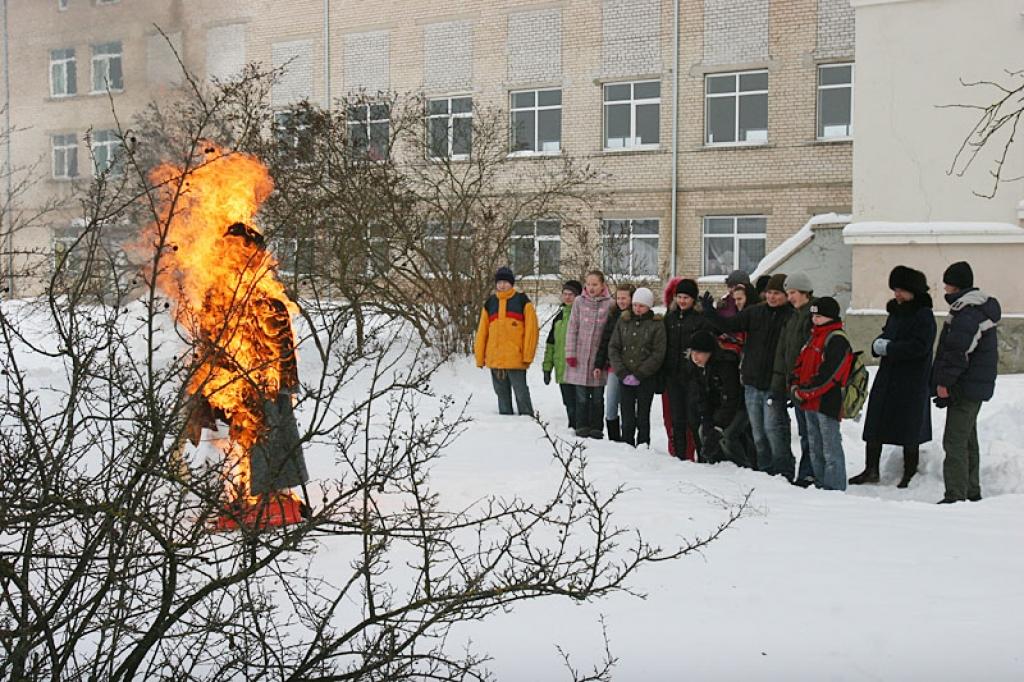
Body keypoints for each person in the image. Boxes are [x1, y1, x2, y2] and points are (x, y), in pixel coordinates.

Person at [702, 273, 795, 479]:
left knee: (775, 431)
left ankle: (784, 473)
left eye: (777, 293)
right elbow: (730, 324)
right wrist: (710, 313)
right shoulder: (756, 312)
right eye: (769, 292)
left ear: (786, 295)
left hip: (775, 383)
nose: (772, 297)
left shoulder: (791, 316)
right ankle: (765, 472)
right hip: (752, 381)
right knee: (759, 434)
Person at [850, 266, 935, 488]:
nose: (897, 294)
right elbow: (886, 335)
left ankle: (909, 472)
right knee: (875, 424)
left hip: (911, 382)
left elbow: (920, 346)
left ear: (913, 291)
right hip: (888, 377)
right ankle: (871, 470)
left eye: (901, 290)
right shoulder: (896, 312)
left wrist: (890, 348)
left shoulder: (923, 315)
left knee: (910, 429)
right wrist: (878, 345)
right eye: (895, 289)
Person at [932, 261, 1001, 504]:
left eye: (947, 284)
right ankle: (971, 490)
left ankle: (955, 494)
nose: (944, 289)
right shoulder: (976, 309)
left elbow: (957, 353)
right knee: (967, 439)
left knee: (955, 440)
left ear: (955, 285)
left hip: (965, 386)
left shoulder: (967, 313)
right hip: (973, 384)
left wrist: (944, 383)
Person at [789, 297, 853, 491]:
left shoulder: (837, 339)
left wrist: (806, 391)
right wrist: (794, 384)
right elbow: (800, 364)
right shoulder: (813, 337)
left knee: (830, 447)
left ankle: (834, 487)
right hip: (809, 401)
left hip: (826, 401)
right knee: (815, 446)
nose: (816, 320)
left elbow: (830, 375)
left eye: (820, 316)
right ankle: (820, 482)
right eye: (814, 316)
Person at [662, 278, 716, 460]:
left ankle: (702, 454)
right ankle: (680, 456)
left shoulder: (699, 319)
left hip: (693, 376)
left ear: (693, 299)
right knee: (677, 419)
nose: (682, 301)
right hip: (673, 374)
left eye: (686, 297)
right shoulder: (669, 318)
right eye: (679, 297)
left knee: (694, 419)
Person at [474, 266, 539, 416]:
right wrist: (480, 356)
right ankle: (505, 421)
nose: (502, 285)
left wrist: (527, 355)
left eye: (506, 282)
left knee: (521, 392)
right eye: (499, 282)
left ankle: (528, 418)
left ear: (512, 283)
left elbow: (531, 331)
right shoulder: (490, 303)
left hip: (516, 358)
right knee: (501, 393)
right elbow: (482, 332)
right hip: (495, 358)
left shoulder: (523, 301)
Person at [772, 272, 815, 487]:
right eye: (788, 293)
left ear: (805, 292)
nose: (790, 297)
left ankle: (809, 472)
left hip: (808, 383)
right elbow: (783, 351)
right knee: (804, 430)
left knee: (811, 432)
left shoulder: (812, 315)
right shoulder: (793, 316)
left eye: (793, 293)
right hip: (794, 383)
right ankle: (807, 471)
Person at [608, 287, 666, 447]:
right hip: (624, 376)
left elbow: (658, 353)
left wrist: (640, 374)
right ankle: (627, 443)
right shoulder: (623, 321)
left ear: (648, 307)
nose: (637, 309)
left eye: (641, 306)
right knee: (626, 414)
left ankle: (643, 443)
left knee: (642, 415)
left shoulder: (656, 325)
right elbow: (613, 347)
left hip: (646, 378)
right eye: (635, 305)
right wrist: (621, 372)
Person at [565, 270, 614, 439]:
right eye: (589, 284)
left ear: (603, 286)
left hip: (598, 358)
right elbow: (572, 328)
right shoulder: (579, 302)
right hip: (579, 356)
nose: (591, 288)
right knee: (581, 396)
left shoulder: (610, 304)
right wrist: (570, 353)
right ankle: (581, 426)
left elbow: (611, 333)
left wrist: (607, 359)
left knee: (597, 397)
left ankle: (596, 427)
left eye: (595, 284)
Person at [689, 330, 747, 466]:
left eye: (700, 353)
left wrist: (718, 426)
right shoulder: (698, 368)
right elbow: (702, 396)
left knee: (727, 436)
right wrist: (708, 420)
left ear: (709, 353)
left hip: (738, 407)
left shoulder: (725, 364)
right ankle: (715, 465)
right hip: (717, 408)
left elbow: (732, 397)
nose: (695, 357)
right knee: (703, 431)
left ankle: (741, 466)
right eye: (693, 353)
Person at [595, 283, 634, 441]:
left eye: (625, 298)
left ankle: (629, 438)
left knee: (629, 408)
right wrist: (598, 364)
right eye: (618, 298)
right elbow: (604, 341)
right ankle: (614, 439)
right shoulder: (612, 316)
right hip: (613, 367)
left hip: (631, 368)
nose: (621, 301)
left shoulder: (635, 316)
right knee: (611, 406)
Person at [542, 280, 584, 430]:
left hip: (578, 367)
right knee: (568, 402)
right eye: (565, 294)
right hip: (562, 368)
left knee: (581, 400)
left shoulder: (583, 315)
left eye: (571, 295)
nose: (567, 298)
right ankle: (572, 426)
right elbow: (551, 344)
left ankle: (582, 427)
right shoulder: (559, 317)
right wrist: (547, 368)